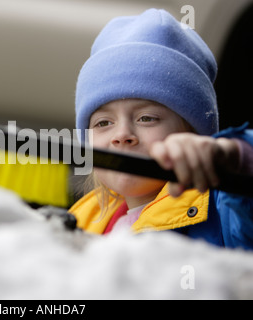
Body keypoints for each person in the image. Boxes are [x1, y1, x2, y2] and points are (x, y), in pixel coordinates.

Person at [69, 8, 253, 250]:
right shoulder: (83, 218)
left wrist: (234, 155)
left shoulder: (223, 208)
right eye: (103, 123)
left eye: (147, 118)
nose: (122, 135)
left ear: (193, 135)